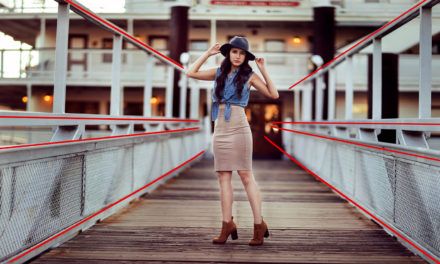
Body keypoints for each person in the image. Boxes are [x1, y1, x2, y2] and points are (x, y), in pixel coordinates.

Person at [187, 36, 279, 246]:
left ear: (246, 57)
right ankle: (227, 224)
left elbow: (273, 94)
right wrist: (208, 53)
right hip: (219, 128)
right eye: (235, 52)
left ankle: (258, 225)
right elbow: (190, 72)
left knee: (246, 175)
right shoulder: (218, 72)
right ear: (228, 53)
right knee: (223, 177)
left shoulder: (249, 75)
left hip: (239, 128)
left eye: (242, 53)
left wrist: (263, 68)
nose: (238, 56)